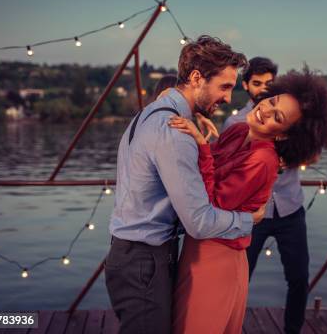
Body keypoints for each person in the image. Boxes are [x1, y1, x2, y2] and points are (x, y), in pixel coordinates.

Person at [105, 35, 266, 334]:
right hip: (145, 263)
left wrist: (200, 136)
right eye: (225, 87)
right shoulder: (173, 131)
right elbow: (199, 222)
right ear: (195, 78)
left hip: (131, 257)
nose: (229, 98)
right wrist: (250, 220)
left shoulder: (151, 114)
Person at [170, 68, 327, 334]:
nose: (265, 111)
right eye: (271, 102)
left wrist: (201, 145)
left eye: (277, 117)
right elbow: (210, 166)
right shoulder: (239, 130)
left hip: (218, 254)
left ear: (282, 135)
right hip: (198, 244)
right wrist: (195, 126)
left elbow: (214, 205)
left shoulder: (263, 159)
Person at [223, 57, 312, 333]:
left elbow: (312, 151)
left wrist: (292, 158)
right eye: (257, 83)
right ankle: (231, 327)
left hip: (289, 209)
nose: (263, 89)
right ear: (246, 85)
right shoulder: (236, 121)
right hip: (253, 214)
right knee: (239, 278)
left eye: (269, 84)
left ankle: (292, 331)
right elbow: (228, 167)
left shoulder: (293, 119)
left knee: (299, 277)